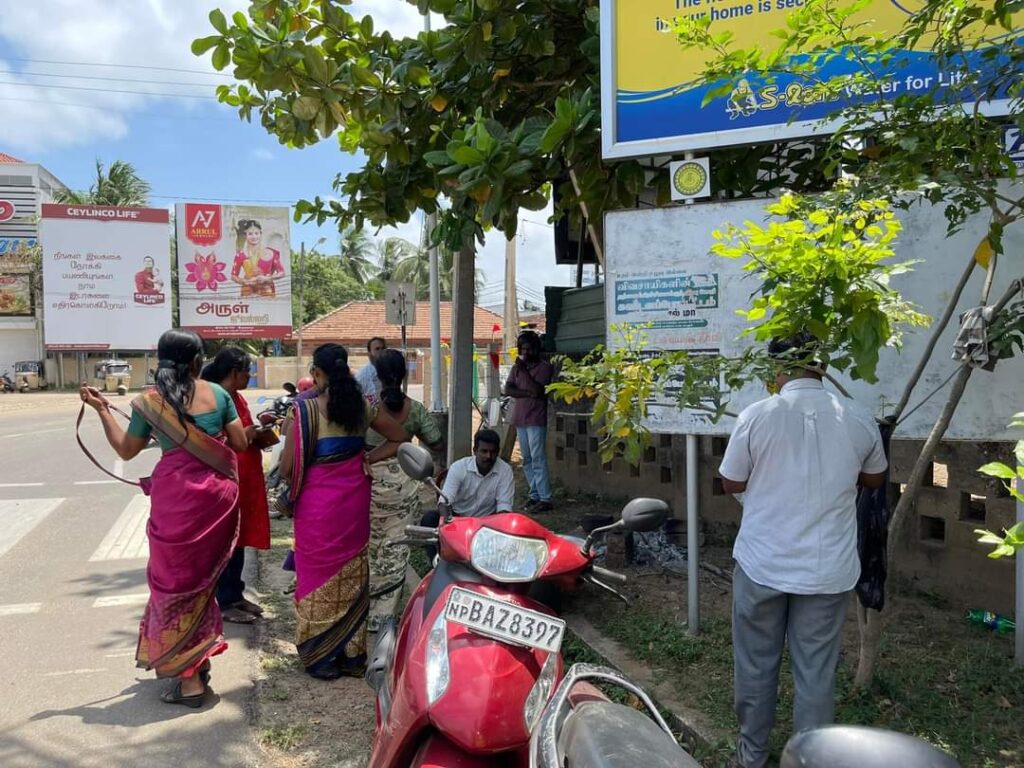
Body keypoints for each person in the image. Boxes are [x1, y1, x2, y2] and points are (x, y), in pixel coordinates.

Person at [717, 332, 888, 768]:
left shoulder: (757, 416)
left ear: (776, 370)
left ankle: (752, 755)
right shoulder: (857, 416)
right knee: (816, 673)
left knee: (755, 664)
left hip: (762, 563)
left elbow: (731, 482)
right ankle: (811, 760)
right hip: (827, 570)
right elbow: (875, 478)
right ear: (822, 367)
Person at [79, 329, 249, 709]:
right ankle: (197, 657)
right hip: (217, 502)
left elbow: (126, 450)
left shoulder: (150, 402)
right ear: (197, 361)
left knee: (174, 585)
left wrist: (102, 409)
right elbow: (239, 444)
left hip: (176, 502)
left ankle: (190, 681)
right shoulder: (218, 394)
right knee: (203, 583)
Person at [279, 343, 407, 680]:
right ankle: (352, 656)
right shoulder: (363, 406)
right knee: (353, 572)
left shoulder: (304, 411)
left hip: (317, 507)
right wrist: (367, 458)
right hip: (354, 502)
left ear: (317, 373)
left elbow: (286, 468)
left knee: (315, 574)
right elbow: (399, 437)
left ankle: (322, 657)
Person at [365, 349, 445, 631]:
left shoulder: (367, 407)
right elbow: (436, 441)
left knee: (369, 547)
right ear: (404, 375)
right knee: (396, 549)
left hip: (368, 484)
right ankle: (384, 617)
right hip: (404, 486)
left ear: (376, 375)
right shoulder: (416, 409)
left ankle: (363, 611)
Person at [201, 348, 270, 624]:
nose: (249, 376)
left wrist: (258, 432)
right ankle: (225, 599)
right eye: (246, 372)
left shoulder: (237, 397)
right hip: (227, 474)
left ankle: (235, 593)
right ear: (233, 372)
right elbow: (214, 440)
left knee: (240, 538)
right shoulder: (214, 398)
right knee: (226, 539)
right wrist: (247, 434)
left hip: (246, 475)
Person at [504, 331, 555, 511]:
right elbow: (508, 389)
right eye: (522, 349)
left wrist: (524, 372)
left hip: (536, 419)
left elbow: (539, 391)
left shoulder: (544, 368)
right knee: (526, 459)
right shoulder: (516, 368)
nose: (525, 353)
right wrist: (527, 393)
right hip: (521, 418)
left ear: (536, 349)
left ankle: (545, 498)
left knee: (538, 457)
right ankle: (534, 495)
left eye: (528, 349)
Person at [231, 219, 285, 298]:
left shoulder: (271, 253)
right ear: (245, 235)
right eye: (250, 234)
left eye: (256, 233)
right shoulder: (241, 255)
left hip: (267, 290)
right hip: (248, 291)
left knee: (268, 303)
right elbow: (234, 275)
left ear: (260, 234)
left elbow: (281, 272)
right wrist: (246, 281)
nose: (254, 237)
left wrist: (267, 278)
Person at [355, 336, 386, 401]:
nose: (381, 352)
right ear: (369, 353)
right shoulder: (362, 376)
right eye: (377, 349)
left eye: (383, 348)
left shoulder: (391, 370)